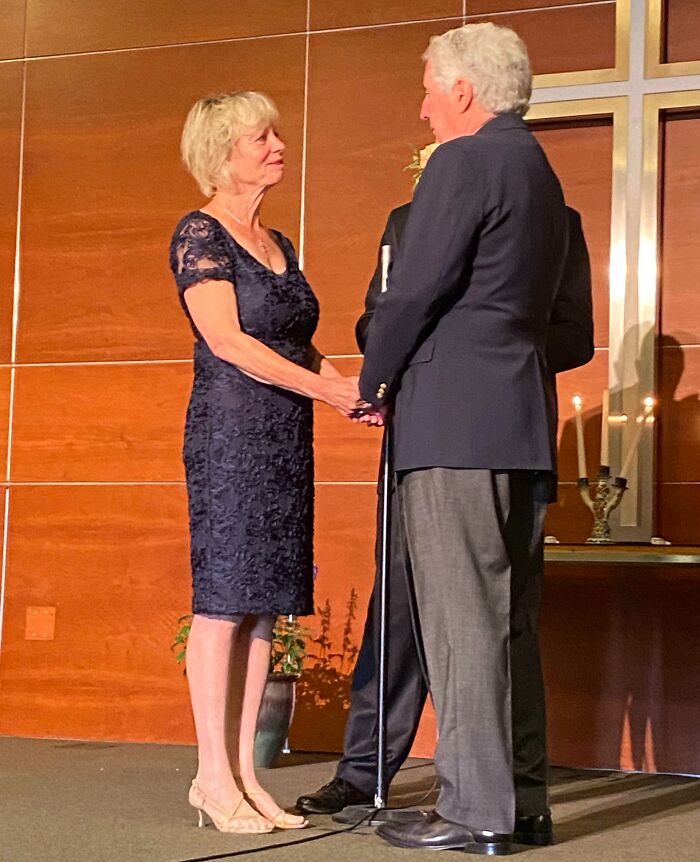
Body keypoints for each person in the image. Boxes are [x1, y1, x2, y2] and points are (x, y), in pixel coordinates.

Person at [297, 192, 593, 820]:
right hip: (425, 435)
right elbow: (375, 320)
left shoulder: (556, 223)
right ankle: (364, 772)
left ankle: (520, 790)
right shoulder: (408, 220)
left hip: (512, 435)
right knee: (397, 607)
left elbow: (577, 336)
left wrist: (490, 334)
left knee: (511, 617)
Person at [355, 22, 577, 853]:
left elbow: (411, 292)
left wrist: (375, 381)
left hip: (453, 423)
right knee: (508, 620)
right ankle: (520, 803)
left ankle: (472, 812)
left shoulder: (465, 161)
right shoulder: (541, 173)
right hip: (519, 423)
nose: (421, 110)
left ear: (462, 89)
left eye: (425, 89)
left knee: (461, 623)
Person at [168, 91, 359, 835]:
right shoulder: (200, 232)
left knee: (262, 607)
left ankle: (245, 772)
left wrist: (348, 386)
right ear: (223, 153)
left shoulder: (279, 239)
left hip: (284, 438)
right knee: (221, 603)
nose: (278, 144)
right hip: (230, 438)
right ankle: (210, 776)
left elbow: (291, 343)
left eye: (275, 132)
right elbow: (229, 342)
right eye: (262, 136)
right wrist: (325, 392)